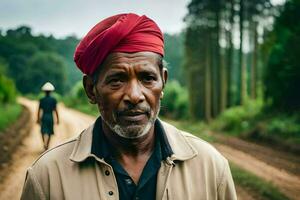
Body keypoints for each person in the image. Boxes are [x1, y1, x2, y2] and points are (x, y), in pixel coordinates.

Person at [21, 13, 237, 200]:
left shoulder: (211, 168)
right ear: (91, 89)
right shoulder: (47, 177)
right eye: (117, 80)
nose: (134, 96)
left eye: (147, 78)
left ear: (163, 82)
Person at [37, 82, 59, 150]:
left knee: (43, 131)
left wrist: (38, 119)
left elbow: (39, 110)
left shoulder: (41, 100)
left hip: (44, 116)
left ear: (44, 91)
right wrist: (58, 119)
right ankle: (47, 145)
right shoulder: (53, 100)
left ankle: (44, 144)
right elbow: (55, 110)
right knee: (50, 131)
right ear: (51, 91)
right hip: (50, 117)